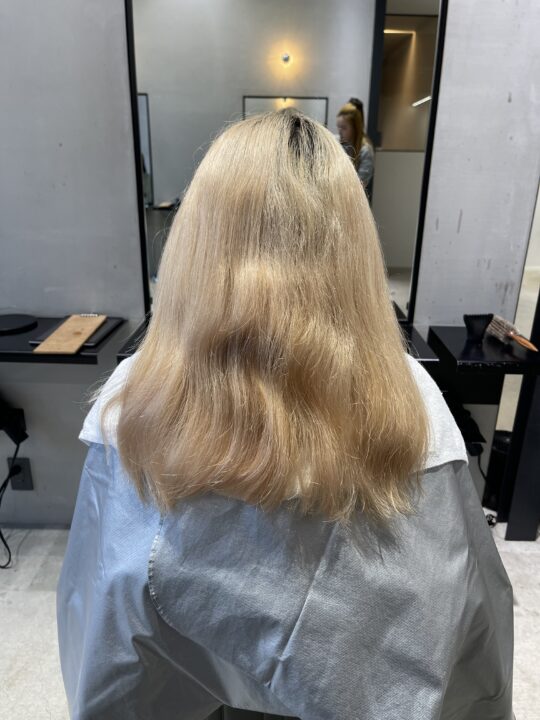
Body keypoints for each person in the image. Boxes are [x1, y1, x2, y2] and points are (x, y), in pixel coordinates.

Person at [57, 110, 513, 720]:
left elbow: (105, 634)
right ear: (352, 242)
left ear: (198, 239)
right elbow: (455, 628)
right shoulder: (412, 397)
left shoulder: (136, 395)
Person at [336, 97, 375, 199]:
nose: (339, 131)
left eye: (344, 128)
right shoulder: (338, 143)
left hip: (354, 201)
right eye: (338, 127)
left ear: (355, 128)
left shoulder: (366, 151)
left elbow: (359, 187)